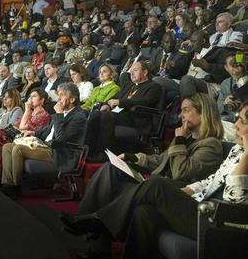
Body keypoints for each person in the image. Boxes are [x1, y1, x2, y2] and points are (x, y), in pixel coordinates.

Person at [61, 98, 247, 259]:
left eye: (243, 121)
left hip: (221, 219)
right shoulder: (236, 150)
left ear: (203, 113)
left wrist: (246, 157)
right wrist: (134, 157)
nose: (236, 125)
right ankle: (93, 233)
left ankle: (94, 221)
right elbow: (210, 181)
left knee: (154, 185)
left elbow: (184, 173)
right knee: (136, 202)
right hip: (192, 199)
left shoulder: (212, 145)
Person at [1, 83, 87, 199]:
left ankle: (15, 186)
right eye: (58, 95)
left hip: (59, 152)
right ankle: (7, 183)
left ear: (72, 99)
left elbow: (61, 140)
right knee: (7, 147)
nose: (59, 99)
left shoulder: (79, 117)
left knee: (18, 149)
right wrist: (33, 133)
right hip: (46, 146)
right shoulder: (61, 113)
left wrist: (59, 116)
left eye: (62, 95)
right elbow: (48, 129)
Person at [0, 88, 51, 173]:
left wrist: (26, 110)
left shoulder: (44, 115)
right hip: (17, 136)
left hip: (28, 141)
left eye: (34, 96)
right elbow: (15, 125)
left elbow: (22, 127)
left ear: (42, 100)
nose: (30, 99)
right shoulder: (31, 113)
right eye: (30, 96)